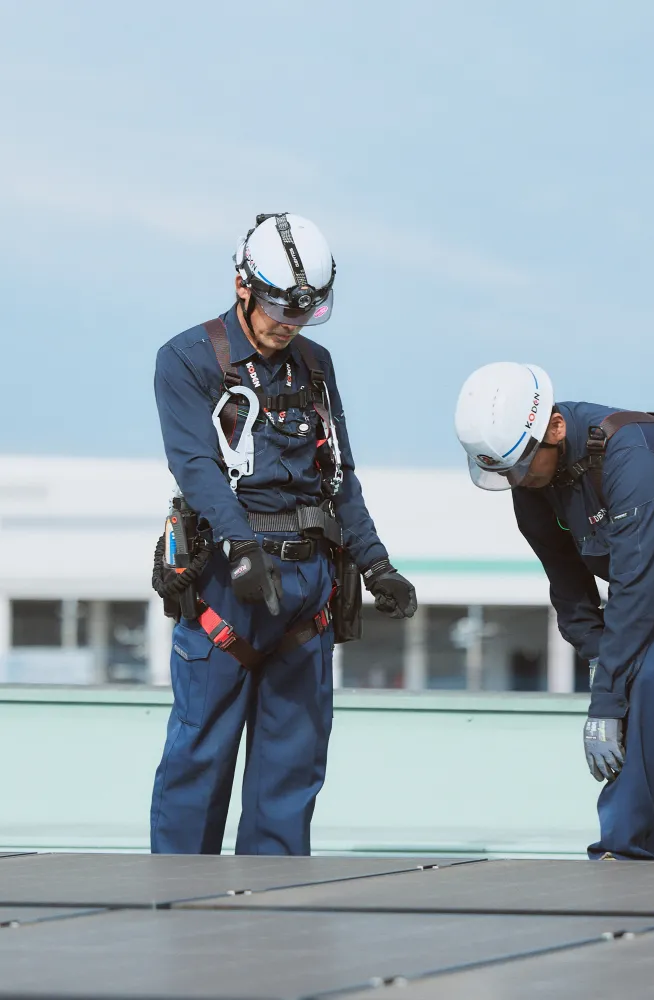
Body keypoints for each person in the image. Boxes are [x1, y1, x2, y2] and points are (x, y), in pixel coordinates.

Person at [150, 213, 417, 855]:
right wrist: (241, 548)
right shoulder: (186, 359)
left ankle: (271, 913)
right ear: (243, 284)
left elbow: (339, 476)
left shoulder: (315, 366)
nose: (288, 324)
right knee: (199, 760)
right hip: (226, 587)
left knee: (291, 770)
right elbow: (195, 465)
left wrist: (377, 564)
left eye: (304, 312)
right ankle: (175, 910)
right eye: (277, 307)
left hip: (307, 593)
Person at [453, 362, 654, 861]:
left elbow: (634, 585)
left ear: (554, 428)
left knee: (652, 677)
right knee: (638, 688)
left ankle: (621, 853)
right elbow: (569, 588)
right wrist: (600, 656)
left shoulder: (631, 453)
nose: (518, 480)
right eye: (505, 472)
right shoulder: (531, 480)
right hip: (653, 594)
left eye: (521, 466)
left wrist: (605, 701)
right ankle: (653, 859)